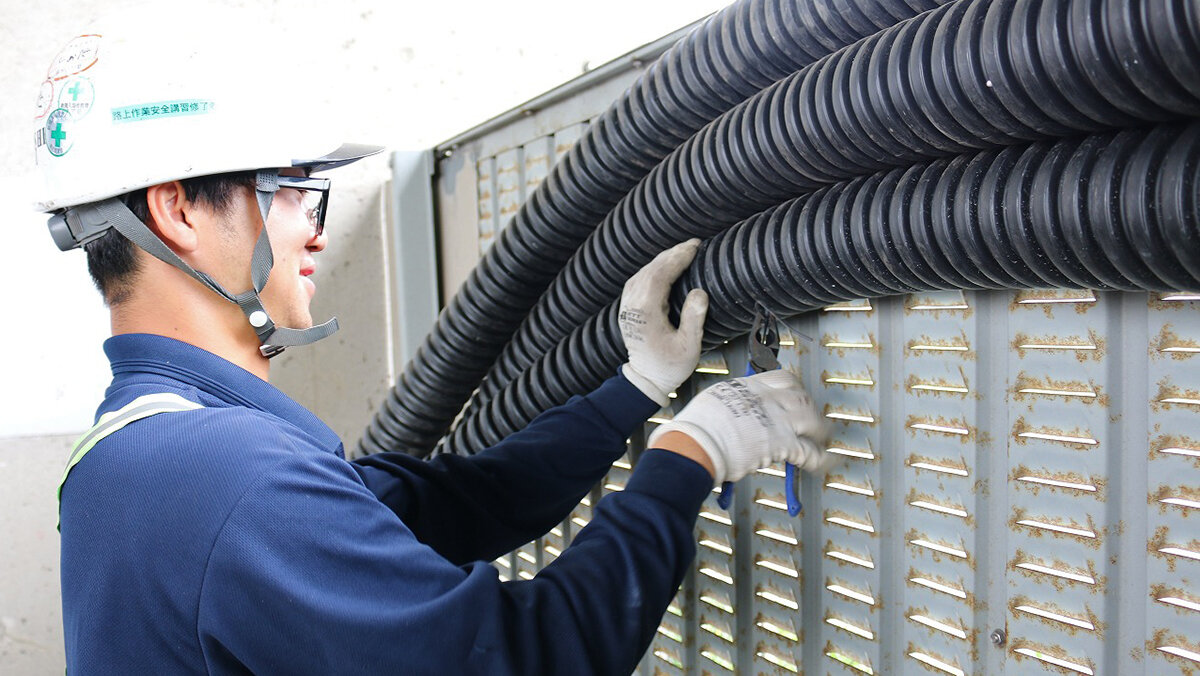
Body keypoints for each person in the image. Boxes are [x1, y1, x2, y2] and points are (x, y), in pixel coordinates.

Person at [41, 11, 830, 676]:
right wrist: (690, 453)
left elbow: (449, 504)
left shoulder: (141, 448)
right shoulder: (223, 476)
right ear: (177, 210)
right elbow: (527, 656)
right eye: (293, 193)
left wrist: (636, 387)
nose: (313, 235)